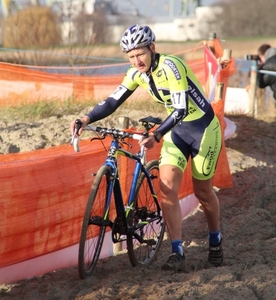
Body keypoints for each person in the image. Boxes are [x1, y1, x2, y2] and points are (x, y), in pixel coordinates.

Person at [70, 24, 223, 271]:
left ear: (152, 48)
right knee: (166, 190)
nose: (136, 60)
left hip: (203, 129)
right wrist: (87, 118)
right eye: (131, 56)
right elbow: (112, 101)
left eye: (140, 53)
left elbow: (181, 109)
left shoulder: (172, 66)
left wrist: (158, 133)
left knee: (203, 192)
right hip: (177, 131)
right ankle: (177, 251)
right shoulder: (135, 74)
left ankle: (215, 239)